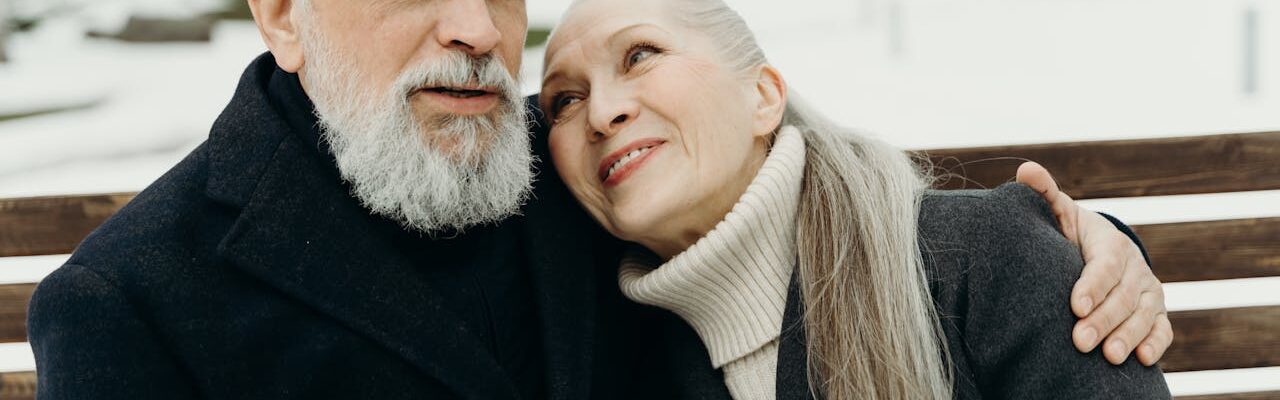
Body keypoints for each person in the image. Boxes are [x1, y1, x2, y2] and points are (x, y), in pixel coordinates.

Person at [27, 0, 1165, 398]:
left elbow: (796, 193)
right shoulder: (129, 301)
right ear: (282, 14)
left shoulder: (567, 166)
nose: (478, 30)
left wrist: (1080, 249)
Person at [539, 0, 1171, 398]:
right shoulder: (608, 355)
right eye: (563, 100)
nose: (600, 111)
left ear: (762, 98)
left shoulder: (983, 258)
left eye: (641, 54)